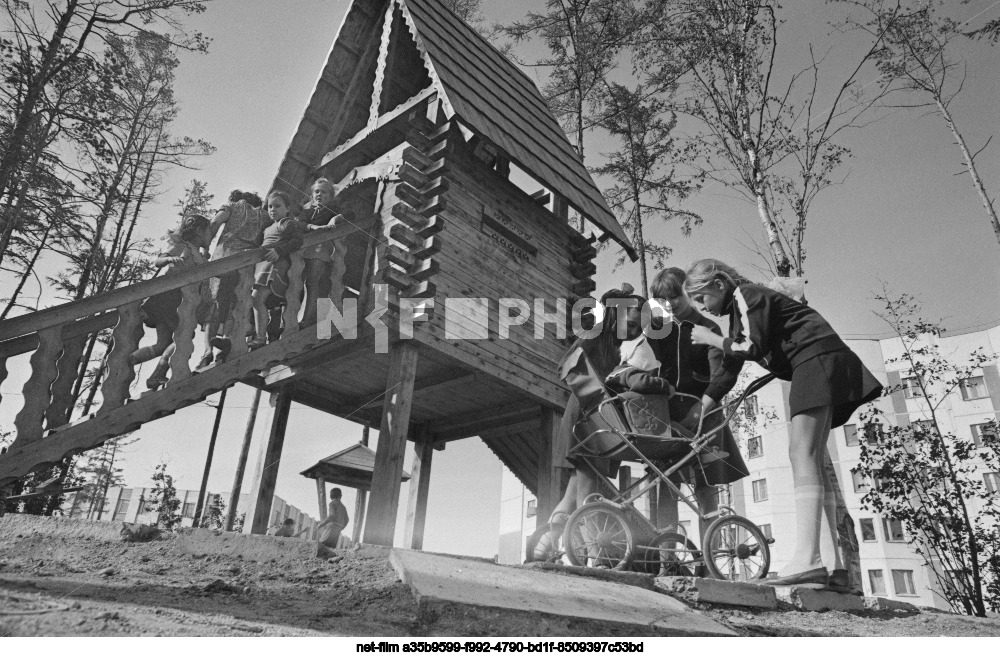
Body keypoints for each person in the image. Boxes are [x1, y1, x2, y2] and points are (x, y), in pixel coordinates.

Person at [684, 258, 883, 589]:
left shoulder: (747, 296)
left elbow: (749, 347)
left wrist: (712, 339)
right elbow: (731, 369)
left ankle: (809, 560)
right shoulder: (741, 311)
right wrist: (702, 407)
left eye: (702, 299)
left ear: (719, 285)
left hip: (815, 360)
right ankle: (832, 568)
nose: (703, 308)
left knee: (800, 453)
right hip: (821, 360)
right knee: (811, 458)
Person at [647, 267, 747, 541]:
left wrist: (700, 411)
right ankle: (668, 559)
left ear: (687, 292)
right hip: (667, 418)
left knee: (705, 488)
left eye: (674, 296)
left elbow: (718, 378)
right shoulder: (657, 330)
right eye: (662, 300)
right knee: (666, 486)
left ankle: (709, 556)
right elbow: (646, 366)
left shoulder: (708, 328)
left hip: (704, 416)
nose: (670, 304)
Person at [129, 215, 213, 389]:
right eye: (209, 232)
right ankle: (159, 373)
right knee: (183, 339)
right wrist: (168, 259)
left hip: (177, 301)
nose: (210, 236)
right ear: (199, 232)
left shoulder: (200, 254)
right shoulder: (184, 247)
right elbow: (158, 261)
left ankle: (132, 360)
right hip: (172, 300)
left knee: (162, 345)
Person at [201, 190, 269, 366]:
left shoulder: (231, 206)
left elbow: (214, 223)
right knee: (234, 305)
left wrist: (204, 247)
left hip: (222, 260)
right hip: (245, 266)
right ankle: (225, 341)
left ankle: (207, 352)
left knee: (213, 307)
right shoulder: (263, 215)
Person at [249, 191, 307, 348]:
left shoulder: (287, 223)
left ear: (287, 208)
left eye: (277, 206)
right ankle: (267, 336)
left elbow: (298, 240)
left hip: (275, 267)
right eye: (269, 206)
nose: (272, 209)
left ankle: (260, 338)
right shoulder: (268, 227)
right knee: (264, 301)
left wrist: (279, 251)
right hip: (263, 268)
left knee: (257, 298)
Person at [297, 178, 341, 326]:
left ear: (330, 195)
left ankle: (307, 318)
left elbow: (349, 213)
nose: (319, 194)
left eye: (324, 192)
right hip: (304, 250)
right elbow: (299, 224)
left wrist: (335, 218)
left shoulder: (332, 210)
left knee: (312, 282)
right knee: (298, 281)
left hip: (320, 249)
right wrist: (312, 227)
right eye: (316, 191)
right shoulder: (308, 212)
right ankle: (295, 317)